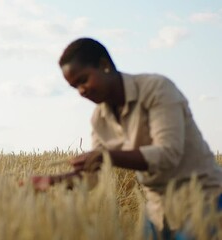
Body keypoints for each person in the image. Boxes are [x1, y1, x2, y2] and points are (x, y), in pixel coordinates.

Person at [31, 37, 222, 238]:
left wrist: (106, 156)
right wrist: (54, 180)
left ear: (104, 65)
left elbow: (168, 153)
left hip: (204, 200)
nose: (81, 91)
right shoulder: (99, 119)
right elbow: (92, 176)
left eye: (83, 80)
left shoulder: (156, 89)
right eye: (75, 87)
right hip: (158, 209)